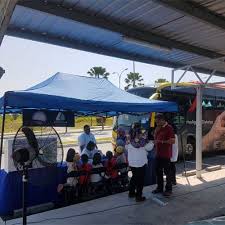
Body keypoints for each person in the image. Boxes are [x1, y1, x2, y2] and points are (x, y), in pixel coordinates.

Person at [126, 123, 153, 202]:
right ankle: (138, 196)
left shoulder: (129, 141)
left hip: (132, 163)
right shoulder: (142, 142)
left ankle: (131, 193)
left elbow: (127, 148)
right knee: (140, 180)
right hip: (140, 163)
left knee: (134, 178)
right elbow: (148, 148)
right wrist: (151, 142)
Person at [152, 113, 175, 197]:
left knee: (167, 173)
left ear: (162, 120)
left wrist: (161, 142)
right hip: (158, 154)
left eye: (157, 122)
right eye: (156, 122)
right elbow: (156, 138)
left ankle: (168, 190)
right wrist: (155, 133)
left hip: (166, 155)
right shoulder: (159, 128)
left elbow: (172, 141)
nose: (156, 123)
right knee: (158, 172)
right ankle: (159, 188)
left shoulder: (169, 128)